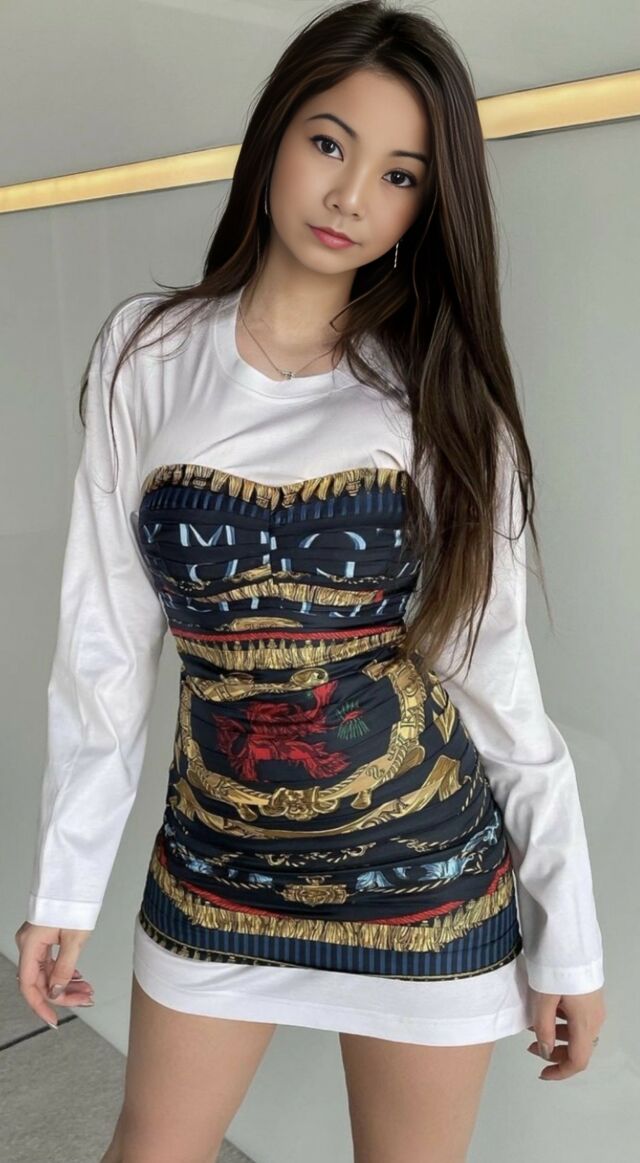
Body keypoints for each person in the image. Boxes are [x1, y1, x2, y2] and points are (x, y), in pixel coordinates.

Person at [15, 3, 606, 1160]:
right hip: (214, 876)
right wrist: (65, 887)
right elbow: (102, 645)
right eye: (329, 143)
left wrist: (569, 938)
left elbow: (497, 685)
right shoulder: (146, 351)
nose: (349, 196)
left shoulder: (439, 397)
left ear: (426, 204)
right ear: (275, 135)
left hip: (424, 883)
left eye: (398, 175)